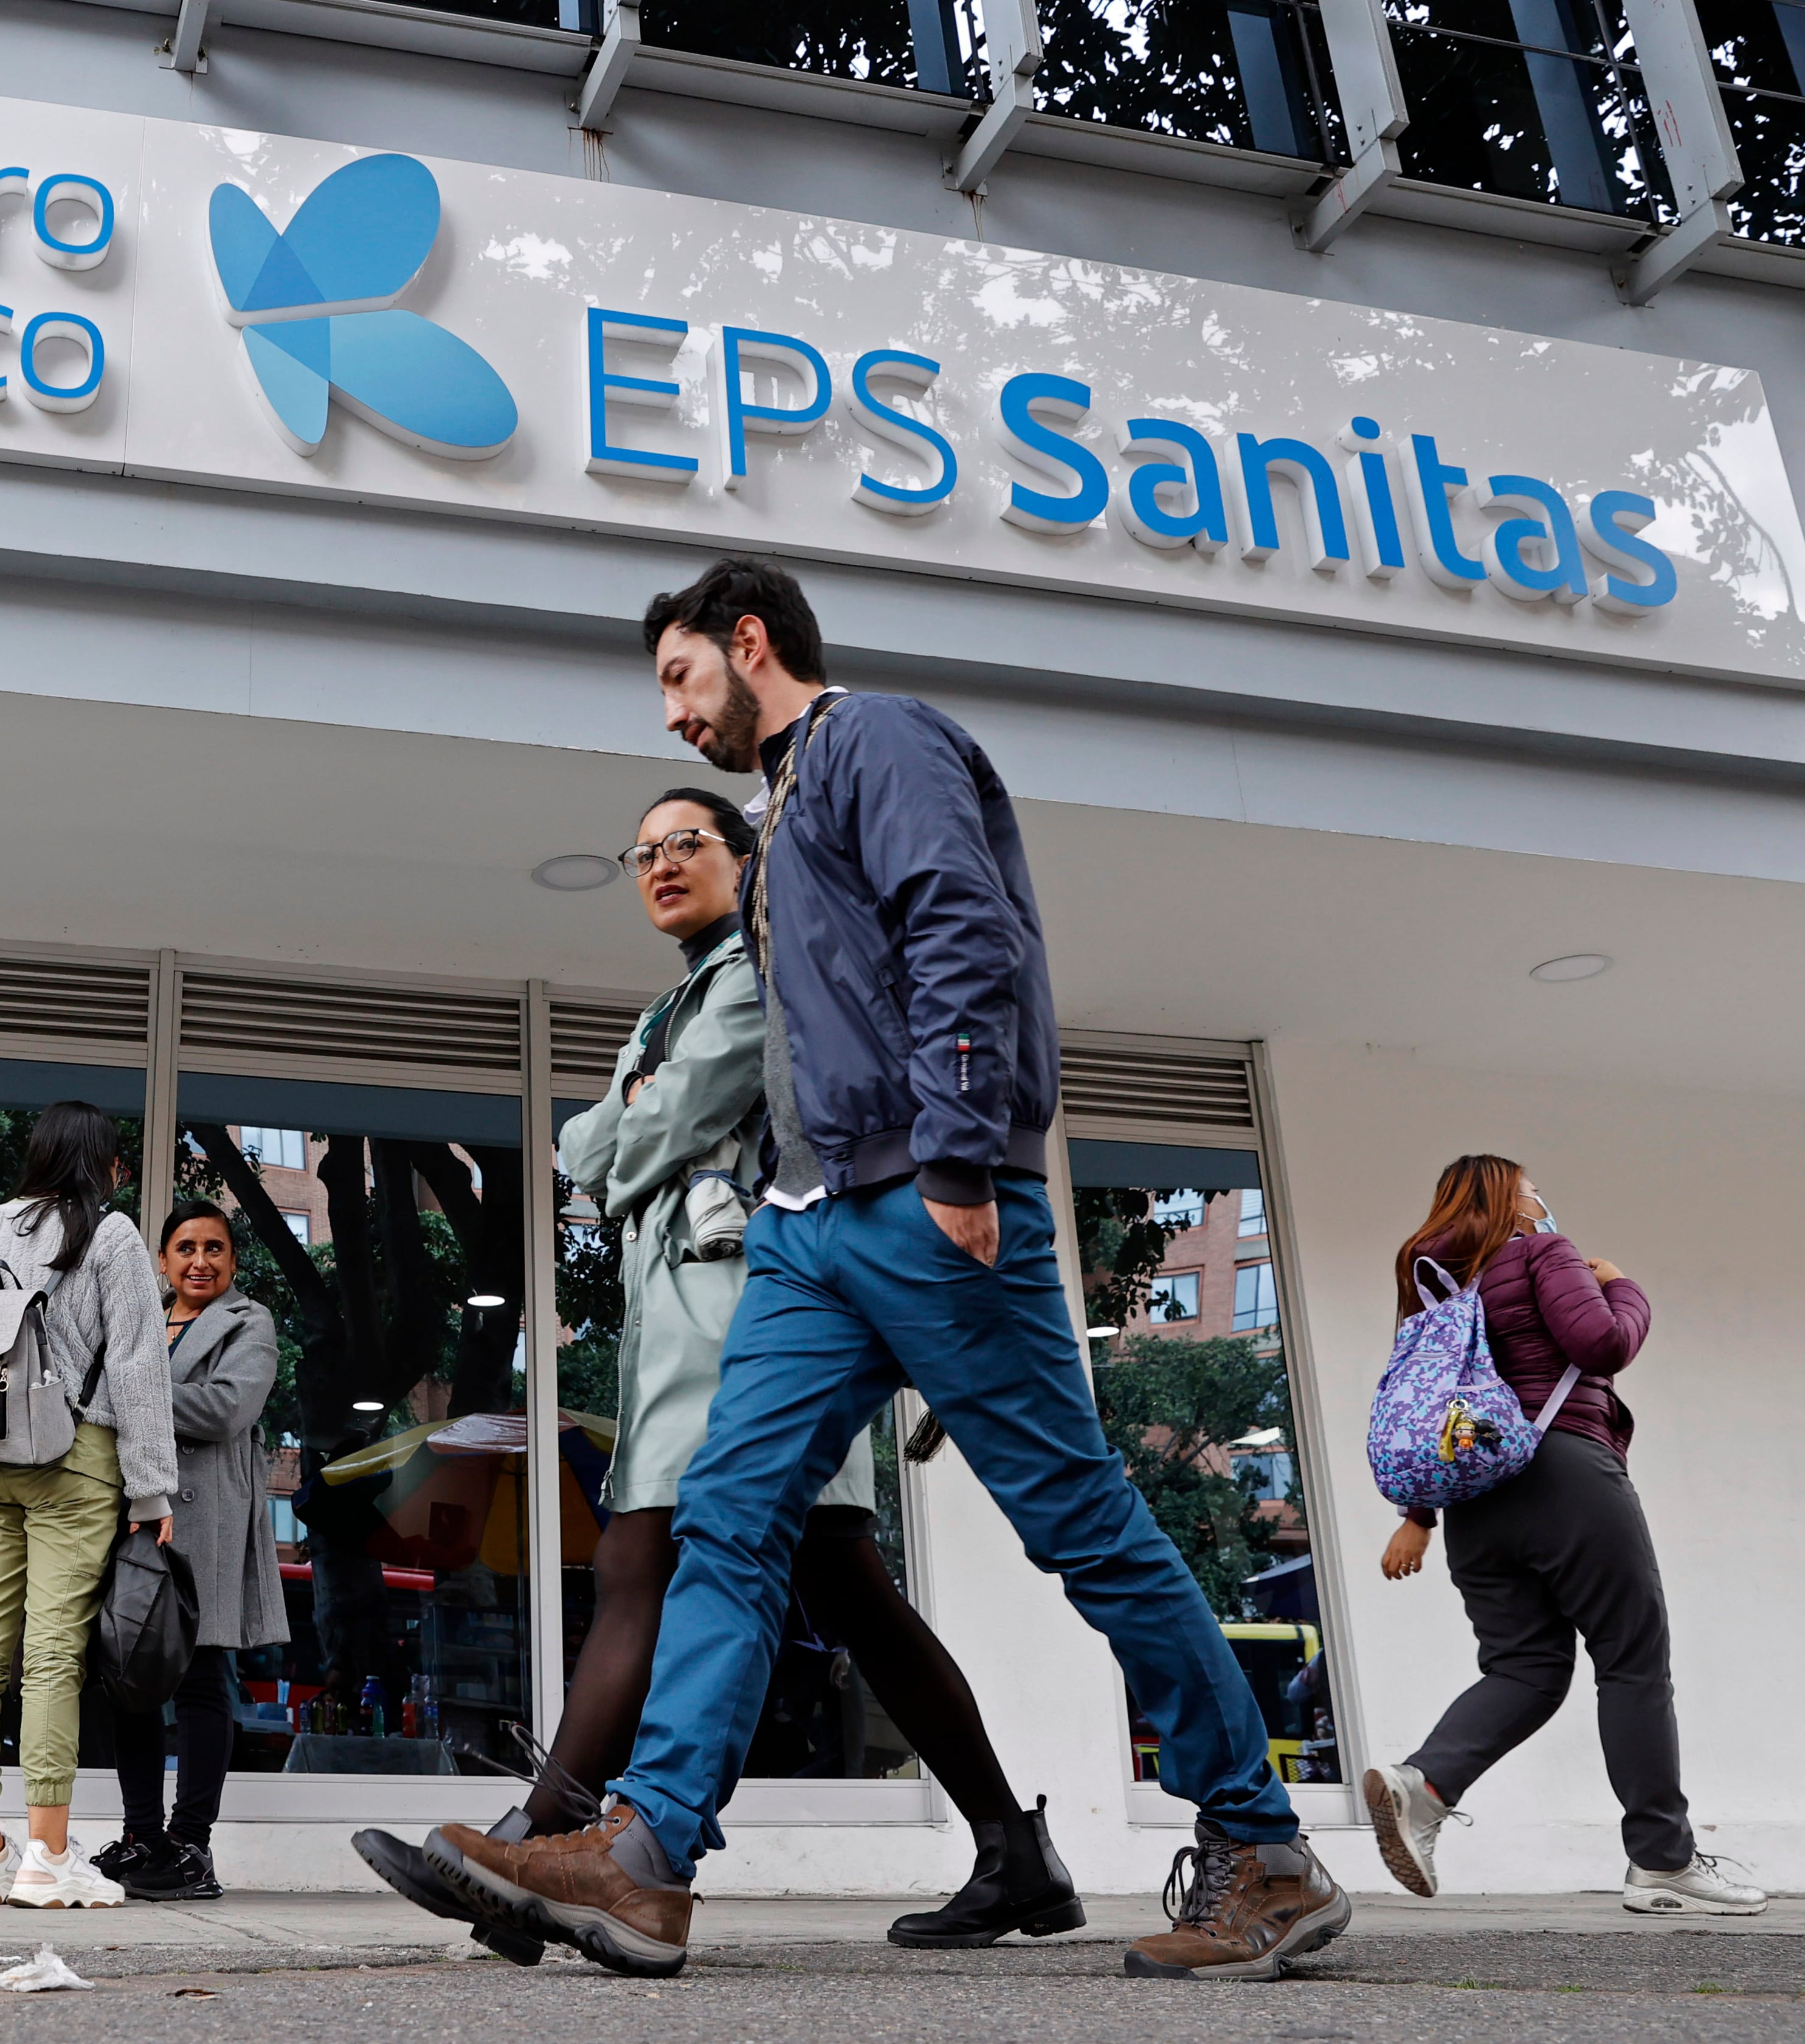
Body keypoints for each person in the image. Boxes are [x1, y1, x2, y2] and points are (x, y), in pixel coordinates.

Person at [426, 558, 1346, 1982]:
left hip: (922, 1195)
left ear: (747, 642)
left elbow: (960, 924)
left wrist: (965, 1153)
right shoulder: (780, 812)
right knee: (727, 1521)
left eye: (678, 677)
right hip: (806, 1226)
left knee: (1078, 1523)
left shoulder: (874, 739)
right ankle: (646, 1852)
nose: (672, 715)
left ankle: (1261, 1848)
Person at [356, 788, 1079, 1958]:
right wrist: (625, 1120)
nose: (657, 864)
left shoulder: (758, 975)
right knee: (847, 1593)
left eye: (684, 842)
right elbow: (580, 1150)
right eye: (640, 852)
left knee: (646, 1551)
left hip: (754, 1318)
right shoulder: (672, 1005)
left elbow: (650, 1128)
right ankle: (1010, 1850)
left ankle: (534, 1833)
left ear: (747, 860)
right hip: (698, 1320)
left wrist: (633, 1116)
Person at [1364, 1156, 1764, 1916]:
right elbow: (1604, 1343)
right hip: (1565, 1475)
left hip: (1477, 1499)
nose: (1541, 1198)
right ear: (1514, 1201)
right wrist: (1621, 1284)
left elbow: (1432, 1405)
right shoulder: (1543, 1250)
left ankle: (1425, 1786)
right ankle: (1662, 1861)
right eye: (1531, 1186)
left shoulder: (1431, 1280)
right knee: (1633, 1660)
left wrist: (1417, 1515)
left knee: (1525, 1668)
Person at [0, 1102, 177, 1911]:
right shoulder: (109, 1235)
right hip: (75, 1456)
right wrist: (152, 1490)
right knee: (50, 1654)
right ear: (106, 1166)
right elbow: (141, 1368)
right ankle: (47, 1854)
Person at [95, 1200, 291, 1902]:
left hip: (206, 1520)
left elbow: (227, 1408)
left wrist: (127, 1390)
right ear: (163, 1259)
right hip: (133, 1515)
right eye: (185, 1247)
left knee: (204, 1677)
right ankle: (143, 1834)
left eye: (214, 1247)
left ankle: (191, 1844)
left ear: (233, 1260)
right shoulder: (138, 1317)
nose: (199, 1259)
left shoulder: (251, 1322)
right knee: (131, 1677)